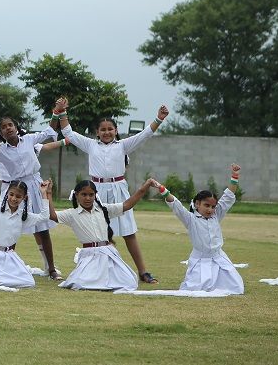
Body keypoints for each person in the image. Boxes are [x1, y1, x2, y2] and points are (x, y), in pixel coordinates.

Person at [59, 105, 170, 284]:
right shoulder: (90, 144)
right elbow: (68, 132)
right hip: (96, 191)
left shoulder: (123, 145)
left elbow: (145, 134)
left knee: (128, 232)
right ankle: (98, 272)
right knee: (98, 233)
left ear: (116, 130)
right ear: (97, 132)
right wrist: (62, 112)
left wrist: (159, 118)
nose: (106, 132)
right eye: (103, 130)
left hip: (119, 189)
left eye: (110, 129)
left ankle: (143, 272)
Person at [0, 99, 65, 280]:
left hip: (35, 184)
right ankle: (5, 265)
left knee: (42, 228)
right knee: (10, 227)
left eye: (10, 125)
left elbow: (48, 131)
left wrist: (56, 112)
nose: (8, 128)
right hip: (16, 188)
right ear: (0, 132)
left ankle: (51, 269)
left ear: (16, 127)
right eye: (3, 127)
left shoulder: (29, 139)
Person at [46, 178, 157, 291]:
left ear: (95, 195)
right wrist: (48, 193)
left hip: (108, 255)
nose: (87, 198)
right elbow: (52, 215)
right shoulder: (72, 214)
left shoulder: (104, 209)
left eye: (91, 195)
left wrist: (146, 186)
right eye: (84, 194)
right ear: (76, 195)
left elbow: (127, 205)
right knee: (79, 283)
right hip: (89, 257)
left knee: (128, 281)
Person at [156, 164, 244, 295]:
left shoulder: (217, 214)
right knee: (197, 288)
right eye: (206, 205)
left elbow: (228, 196)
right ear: (197, 204)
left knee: (236, 287)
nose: (210, 209)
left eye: (213, 206)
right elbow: (176, 205)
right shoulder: (190, 219)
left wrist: (235, 176)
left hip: (219, 258)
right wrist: (162, 189)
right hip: (200, 260)